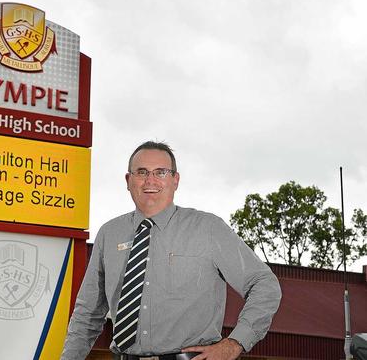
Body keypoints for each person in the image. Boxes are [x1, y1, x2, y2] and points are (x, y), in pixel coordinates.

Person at [62, 141, 281, 360]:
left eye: (161, 172)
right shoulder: (109, 234)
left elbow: (264, 284)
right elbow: (87, 314)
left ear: (175, 180)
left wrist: (235, 343)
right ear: (128, 181)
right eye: (141, 172)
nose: (150, 180)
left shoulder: (208, 228)